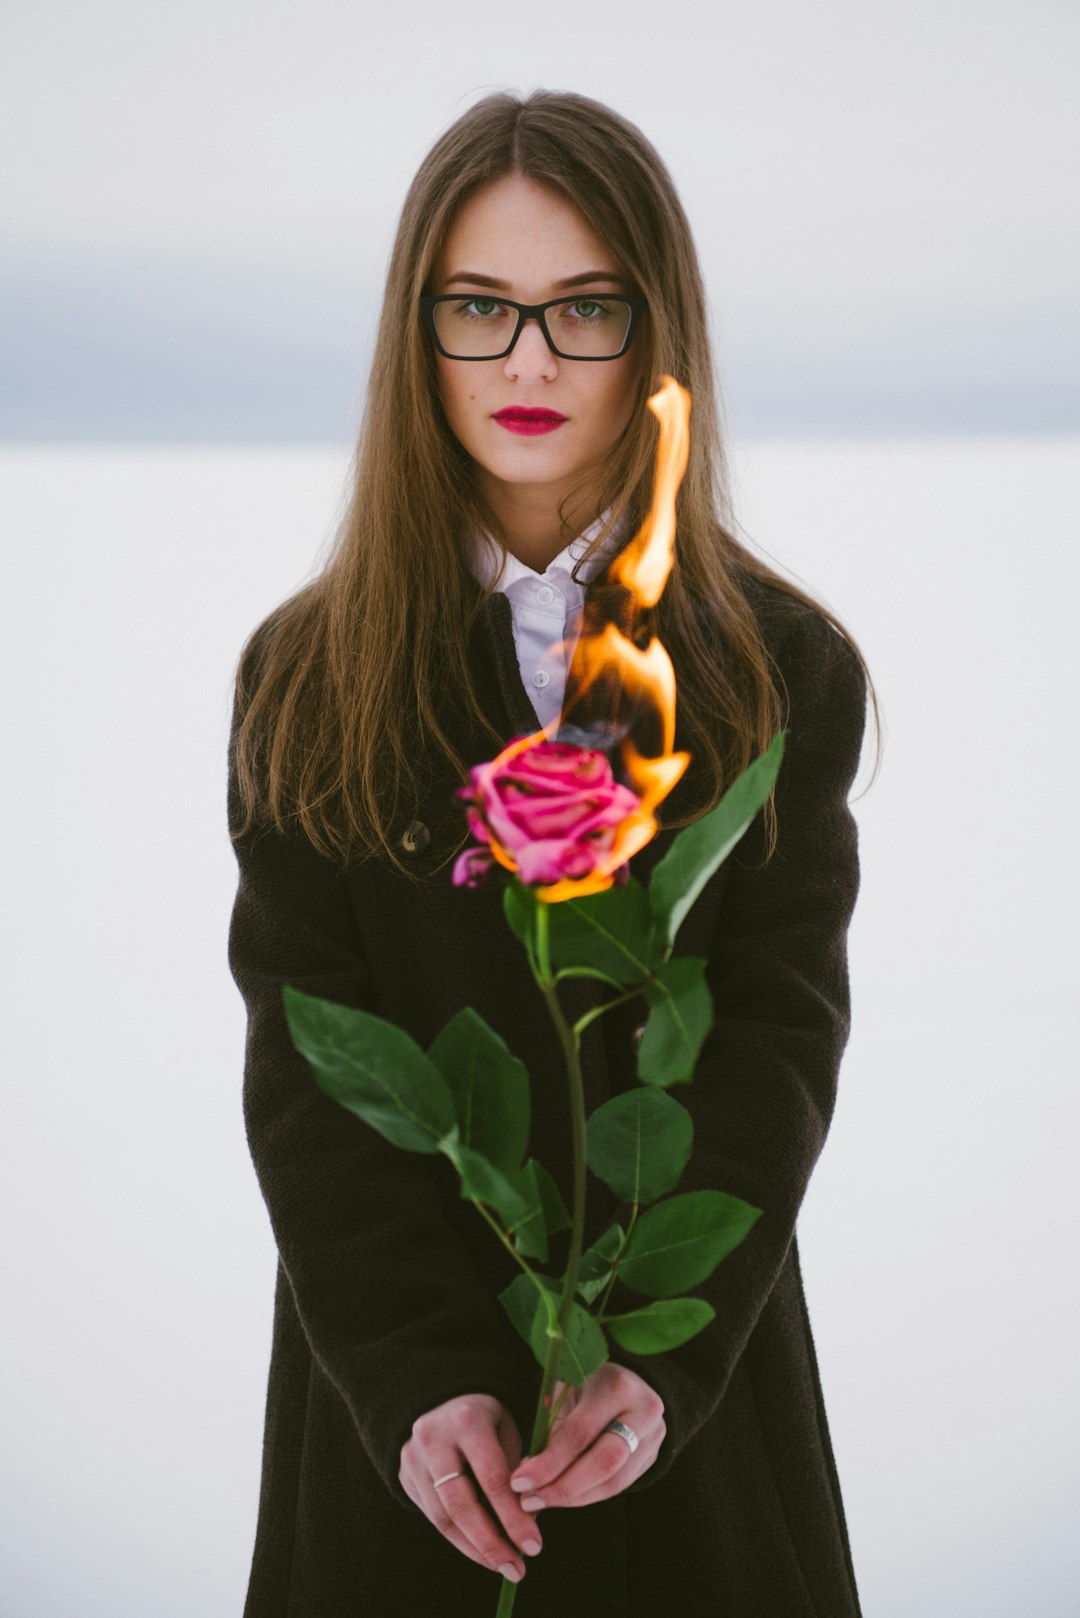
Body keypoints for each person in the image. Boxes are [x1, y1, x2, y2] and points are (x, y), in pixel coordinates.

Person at [226, 88, 881, 1618]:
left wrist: (660, 1359)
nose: (528, 359)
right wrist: (419, 1375)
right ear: (418, 329)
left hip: (690, 1421)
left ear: (656, 331)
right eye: (480, 307)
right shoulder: (307, 676)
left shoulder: (780, 671)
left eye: (582, 307)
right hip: (402, 1442)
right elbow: (312, 1068)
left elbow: (781, 1041)